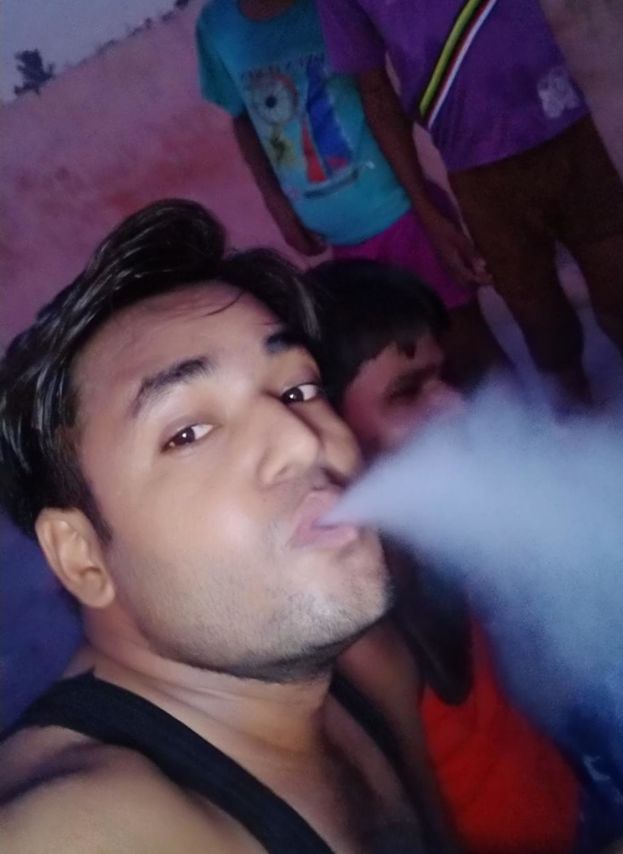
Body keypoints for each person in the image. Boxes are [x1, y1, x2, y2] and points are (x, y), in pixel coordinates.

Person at [0, 201, 444, 852]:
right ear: (82, 557)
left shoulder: (371, 664)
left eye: (298, 390)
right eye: (188, 433)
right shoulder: (74, 824)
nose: (301, 441)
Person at [307, 258, 581, 853]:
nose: (454, 405)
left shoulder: (438, 526)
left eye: (443, 377)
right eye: (407, 392)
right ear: (325, 432)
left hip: (567, 802)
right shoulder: (357, 634)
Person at [315, 0, 623, 406]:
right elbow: (375, 92)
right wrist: (426, 211)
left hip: (569, 134)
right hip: (478, 173)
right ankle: (579, 421)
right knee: (542, 323)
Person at [195, 0, 508, 388]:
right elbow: (242, 117)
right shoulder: (218, 26)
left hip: (402, 216)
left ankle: (526, 421)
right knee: (402, 365)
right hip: (343, 244)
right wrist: (276, 202)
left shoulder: (330, 5)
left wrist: (427, 212)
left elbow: (379, 94)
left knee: (464, 344)